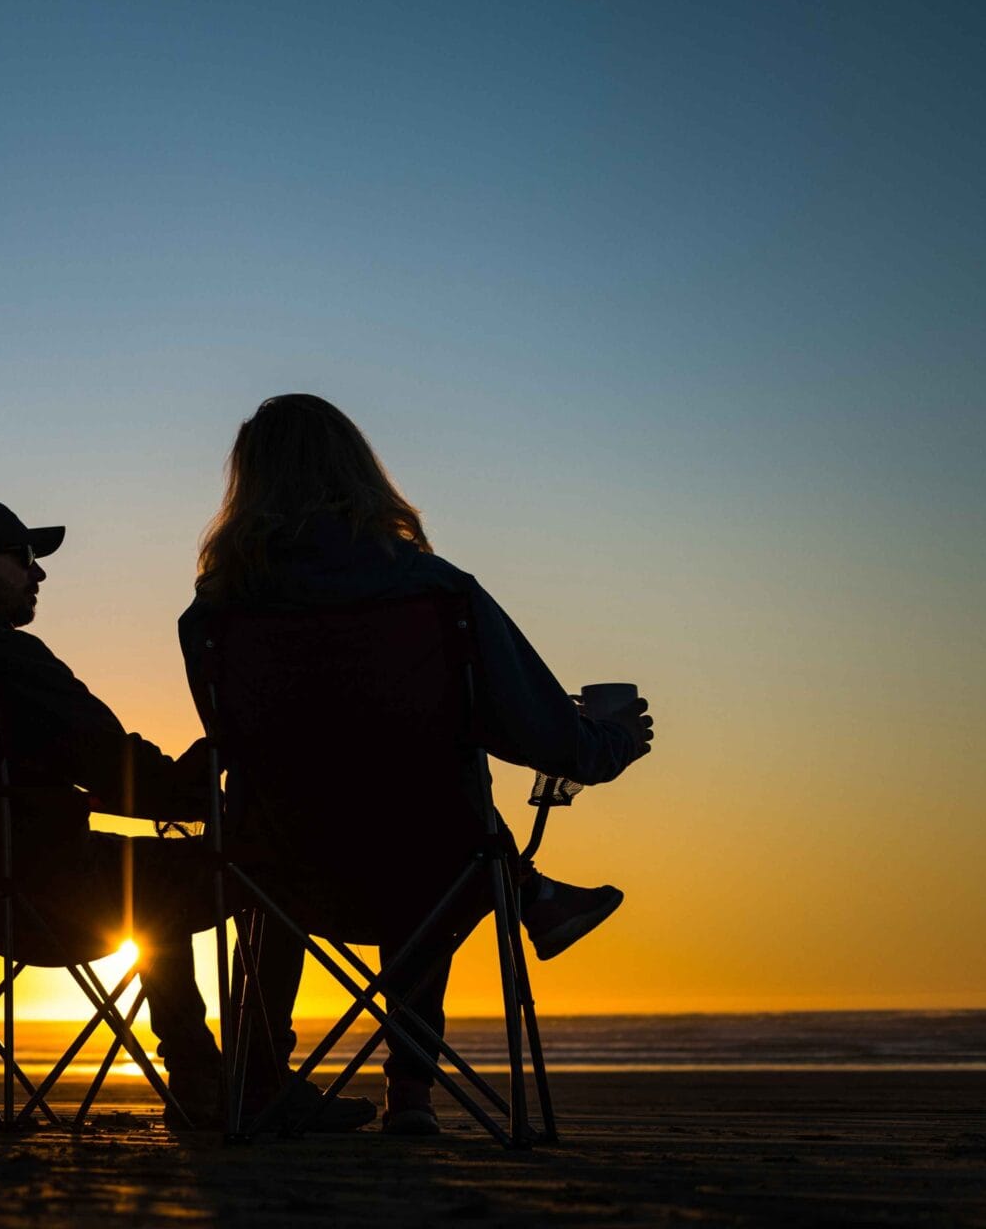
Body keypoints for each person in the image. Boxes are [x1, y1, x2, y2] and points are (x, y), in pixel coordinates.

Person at [176, 394, 656, 1136]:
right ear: (360, 473)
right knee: (431, 832)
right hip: (430, 865)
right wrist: (612, 738)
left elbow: (239, 744)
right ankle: (412, 1099)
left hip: (279, 871)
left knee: (296, 835)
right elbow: (548, 739)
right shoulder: (437, 594)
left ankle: (259, 1086)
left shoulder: (214, 617)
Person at [0, 499, 375, 1131]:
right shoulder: (8, 660)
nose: (38, 575)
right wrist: (212, 776)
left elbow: (70, 781)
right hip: (52, 893)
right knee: (264, 871)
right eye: (24, 558)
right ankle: (254, 1083)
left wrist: (169, 794)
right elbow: (116, 766)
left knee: (153, 878)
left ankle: (200, 1078)